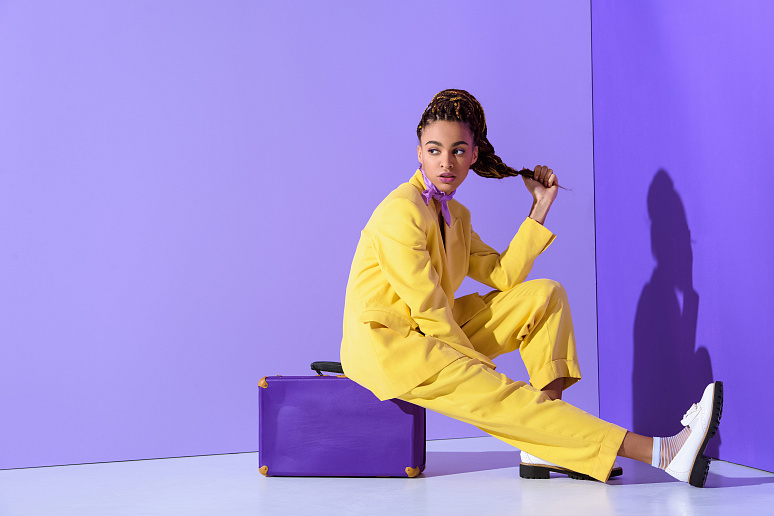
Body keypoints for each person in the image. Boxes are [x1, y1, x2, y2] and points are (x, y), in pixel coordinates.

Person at [339, 89, 722, 487]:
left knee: (545, 296)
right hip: (392, 346)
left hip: (430, 331)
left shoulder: (456, 216)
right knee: (506, 396)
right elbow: (429, 306)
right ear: (419, 153)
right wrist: (477, 368)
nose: (445, 162)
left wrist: (540, 205)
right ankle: (665, 453)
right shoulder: (401, 209)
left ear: (473, 155)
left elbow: (502, 274)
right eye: (434, 150)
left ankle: (543, 445)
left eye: (458, 151)